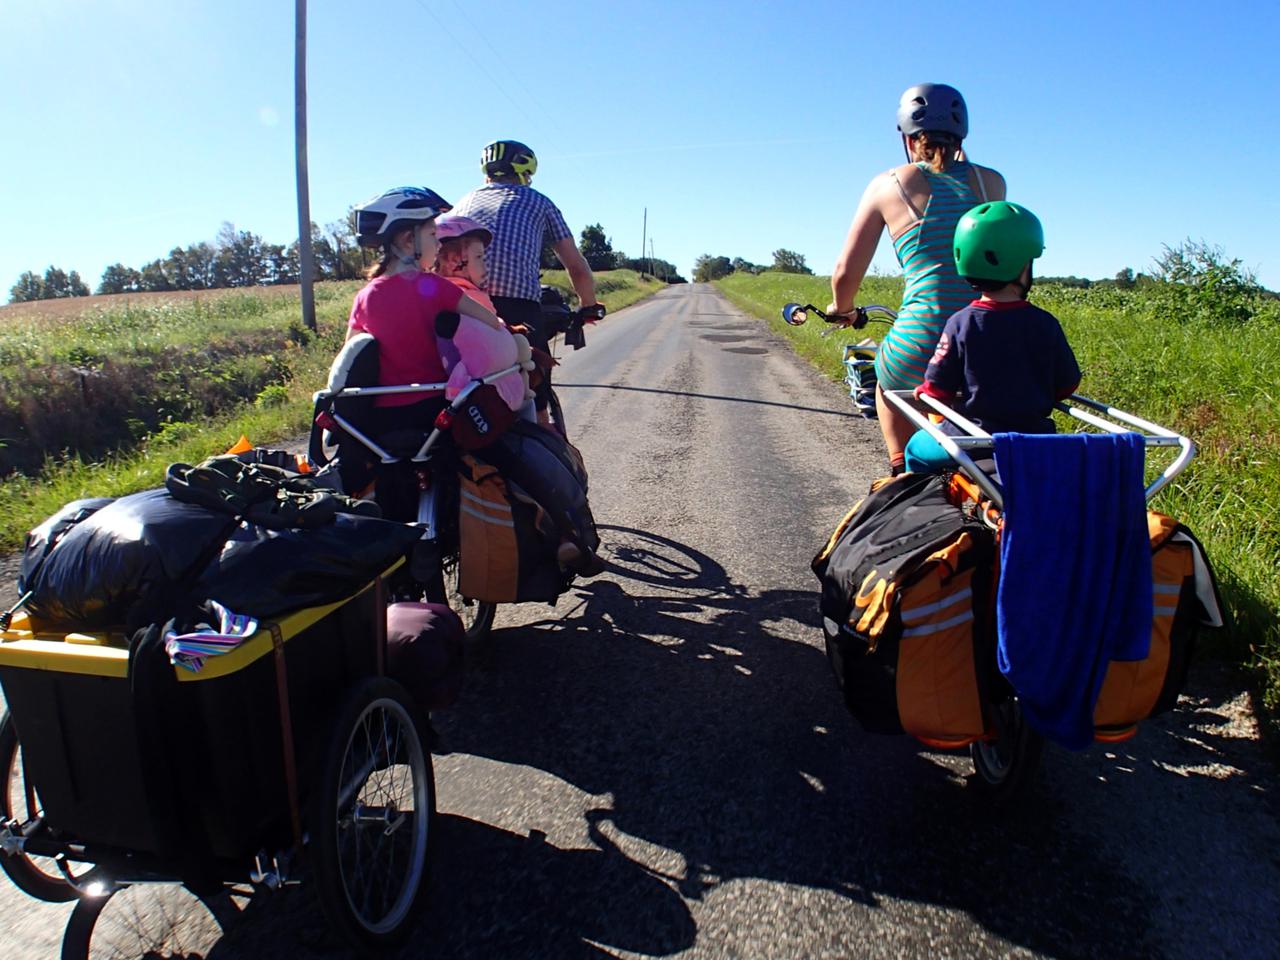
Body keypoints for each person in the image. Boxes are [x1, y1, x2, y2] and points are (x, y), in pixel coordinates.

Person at [827, 84, 1006, 474]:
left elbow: (844, 273)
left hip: (919, 339)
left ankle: (900, 473)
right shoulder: (992, 183)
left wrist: (841, 309)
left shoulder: (888, 184)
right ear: (962, 136)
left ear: (907, 138)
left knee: (887, 382)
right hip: (988, 339)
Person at [904, 201, 1081, 473]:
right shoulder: (1046, 324)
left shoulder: (960, 323)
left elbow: (938, 390)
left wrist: (925, 391)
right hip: (1035, 440)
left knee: (915, 449)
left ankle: (920, 506)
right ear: (1022, 266)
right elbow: (1067, 385)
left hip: (971, 439)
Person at [450, 140, 605, 425]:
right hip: (517, 310)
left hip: (460, 308)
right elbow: (576, 266)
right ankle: (544, 434)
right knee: (536, 397)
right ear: (524, 172)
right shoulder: (538, 201)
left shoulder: (464, 202)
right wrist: (589, 305)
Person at [347, 187, 506, 433]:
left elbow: (350, 361)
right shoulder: (436, 287)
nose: (438, 244)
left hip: (382, 422)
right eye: (432, 234)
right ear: (409, 241)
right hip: (436, 412)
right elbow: (491, 323)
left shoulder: (364, 297)